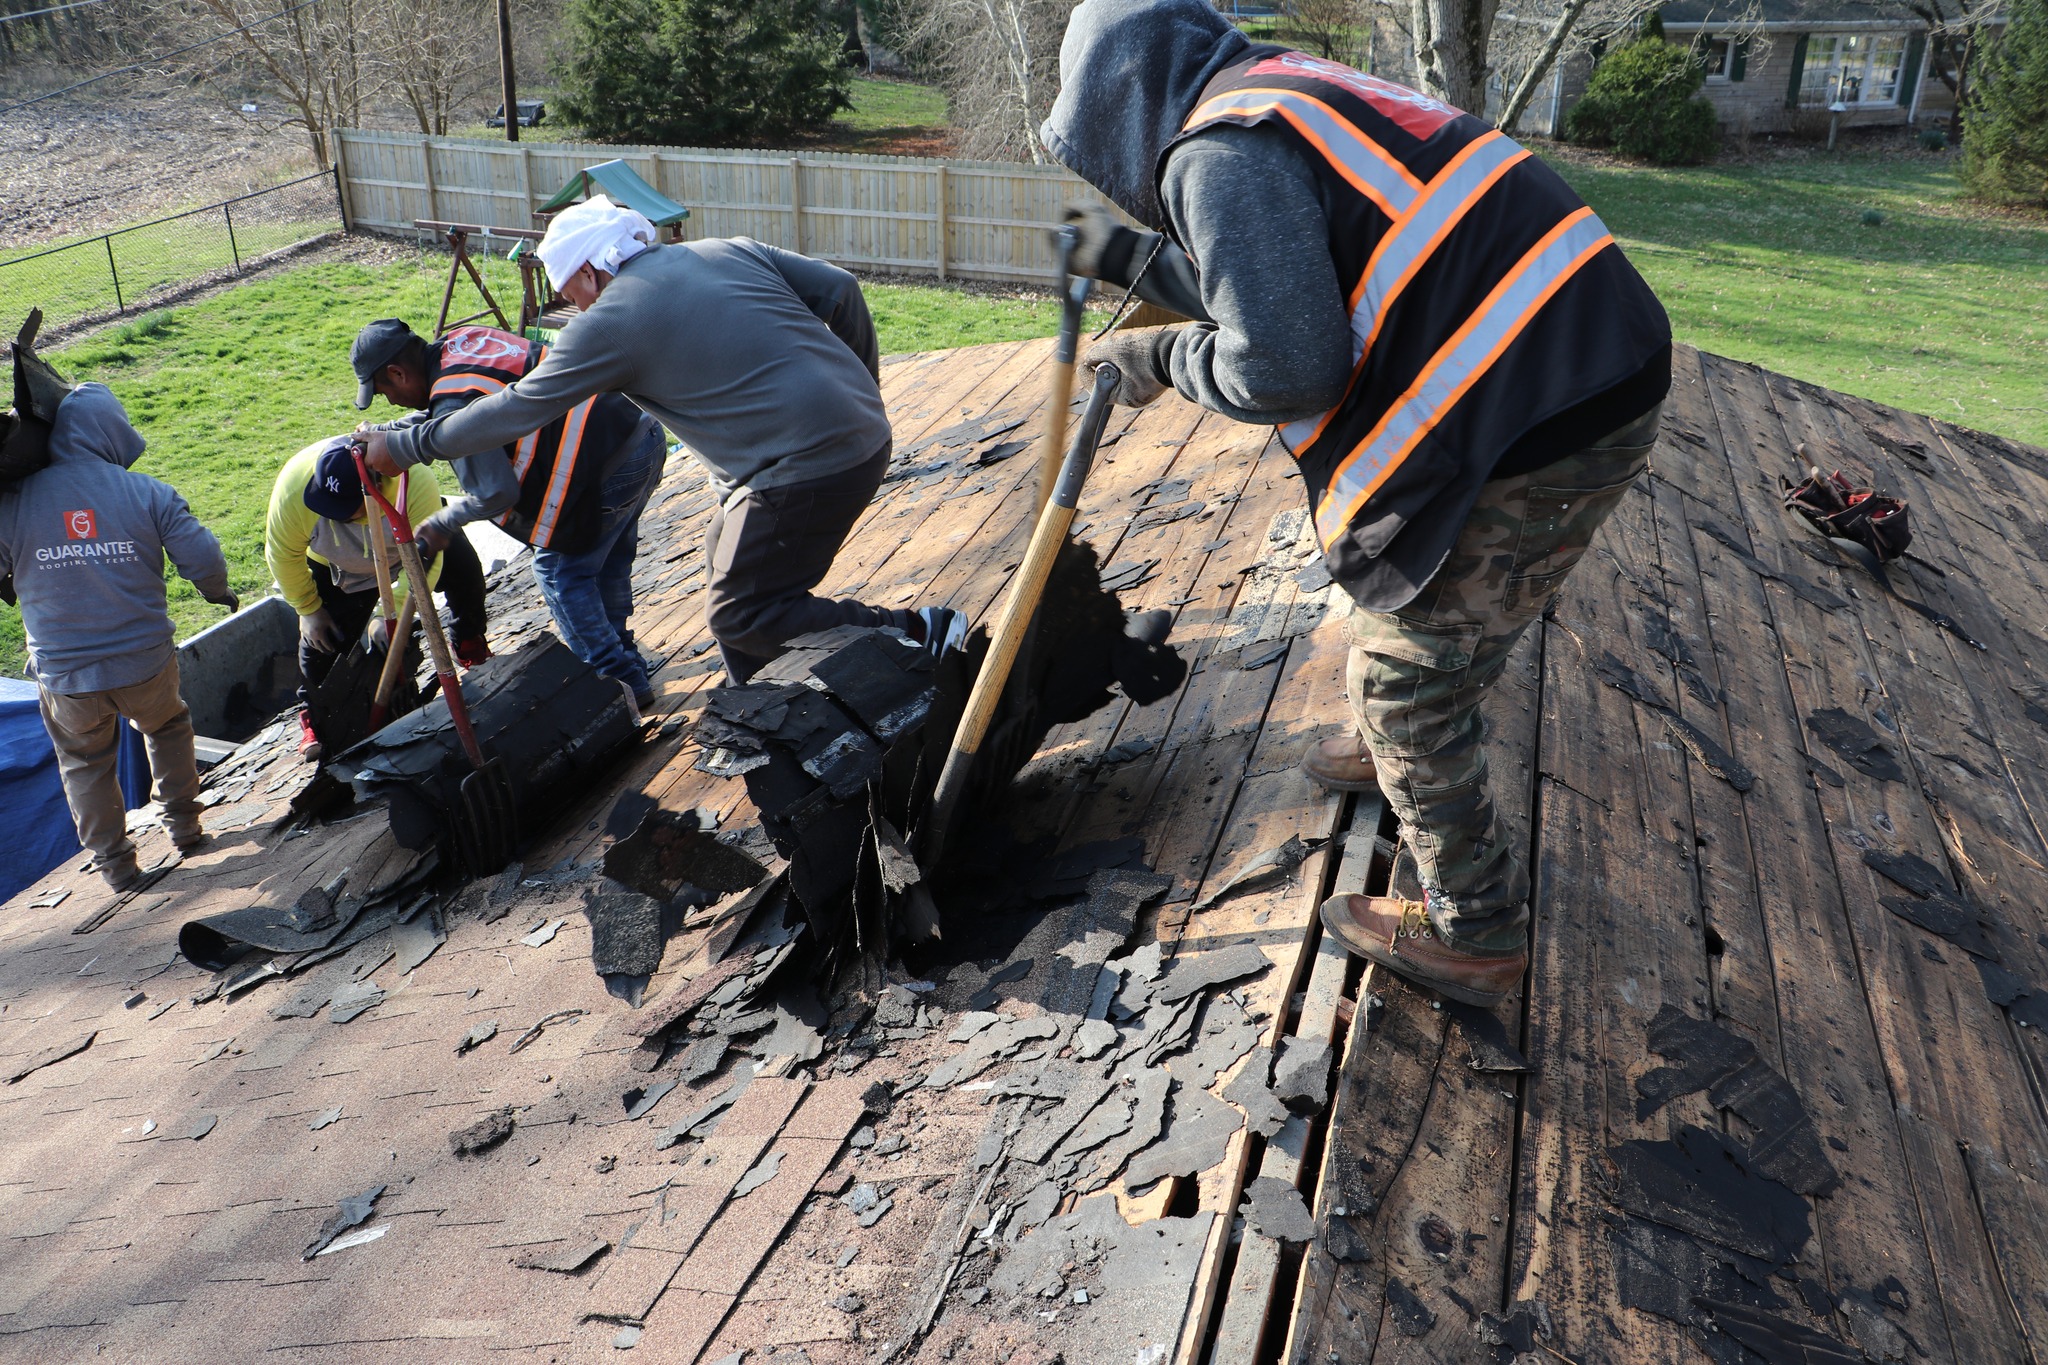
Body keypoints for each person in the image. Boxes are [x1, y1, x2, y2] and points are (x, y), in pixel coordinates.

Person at [1043, 0, 1672, 1007]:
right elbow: (1271, 274)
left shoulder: (1218, 157)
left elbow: (1286, 361)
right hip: (1578, 356)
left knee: (1405, 672)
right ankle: (1405, 761)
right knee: (1452, 613)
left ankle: (1471, 929)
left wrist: (1160, 355)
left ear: (1116, 108)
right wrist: (1117, 255)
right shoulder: (1279, 94)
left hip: (1546, 408)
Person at [356, 196, 965, 685]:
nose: (570, 307)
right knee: (724, 544)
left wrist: (407, 448)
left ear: (591, 272)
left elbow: (515, 409)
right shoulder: (724, 249)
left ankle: (919, 632)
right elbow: (841, 290)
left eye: (569, 293)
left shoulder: (609, 324)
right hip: (859, 433)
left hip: (807, 466)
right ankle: (758, 700)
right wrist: (865, 392)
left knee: (741, 612)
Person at [349, 317, 668, 710]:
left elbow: (496, 493)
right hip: (639, 434)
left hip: (606, 469)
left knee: (560, 573)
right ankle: (627, 662)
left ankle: (620, 683)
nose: (391, 401)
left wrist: (442, 523)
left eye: (384, 393)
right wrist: (390, 431)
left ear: (398, 373)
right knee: (605, 562)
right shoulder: (462, 343)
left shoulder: (450, 401)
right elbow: (458, 409)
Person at [0, 384, 239, 889]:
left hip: (66, 678)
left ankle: (116, 867)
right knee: (167, 726)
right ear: (113, 433)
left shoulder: (13, 503)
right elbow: (205, 561)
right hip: (144, 663)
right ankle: (185, 828)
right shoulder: (148, 493)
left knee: (84, 762)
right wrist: (217, 594)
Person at [264, 436, 489, 760]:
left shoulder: (412, 480)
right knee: (320, 641)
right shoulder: (294, 490)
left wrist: (392, 612)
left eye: (344, 509)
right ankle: (316, 717)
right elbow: (282, 556)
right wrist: (309, 609)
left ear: (375, 487)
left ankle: (469, 643)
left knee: (465, 572)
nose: (336, 514)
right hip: (337, 562)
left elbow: (430, 561)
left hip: (411, 542)